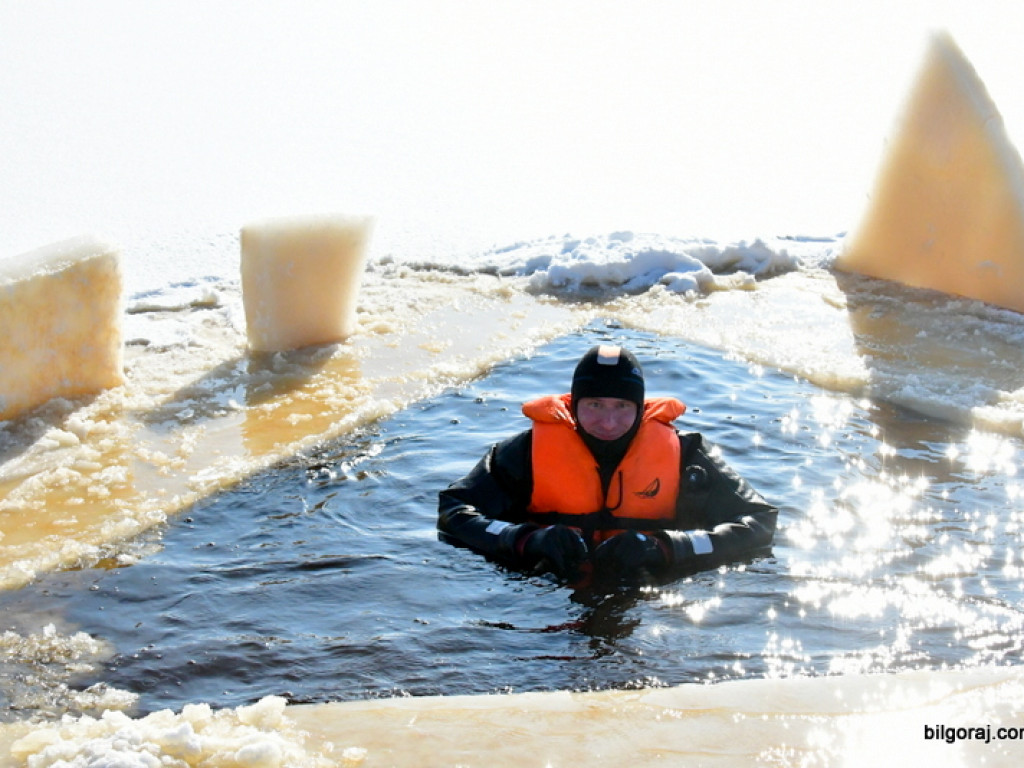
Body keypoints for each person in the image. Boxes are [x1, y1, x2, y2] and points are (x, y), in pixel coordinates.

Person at [437, 344, 777, 585]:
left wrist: (667, 547)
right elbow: (454, 512)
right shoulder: (526, 451)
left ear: (641, 407)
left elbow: (760, 522)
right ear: (573, 405)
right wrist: (525, 539)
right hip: (547, 590)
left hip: (650, 593)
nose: (609, 422)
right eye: (595, 405)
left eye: (622, 407)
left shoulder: (687, 455)